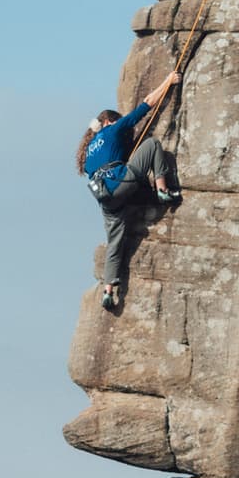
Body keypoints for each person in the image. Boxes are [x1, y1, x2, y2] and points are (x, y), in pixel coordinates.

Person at [77, 70, 181, 311]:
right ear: (107, 122)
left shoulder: (89, 150)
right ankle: (164, 190)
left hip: (107, 201)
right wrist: (168, 80)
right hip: (121, 183)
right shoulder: (112, 130)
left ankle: (109, 289)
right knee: (152, 144)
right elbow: (146, 106)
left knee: (115, 243)